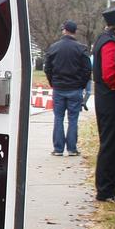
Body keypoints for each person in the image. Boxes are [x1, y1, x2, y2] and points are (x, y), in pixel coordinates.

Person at [93, 6, 115, 201]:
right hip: (110, 98)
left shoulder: (103, 39)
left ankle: (110, 185)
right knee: (110, 144)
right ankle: (106, 188)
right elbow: (110, 74)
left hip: (106, 97)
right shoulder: (110, 43)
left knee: (111, 142)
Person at [43, 20, 92, 156]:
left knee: (58, 118)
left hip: (59, 88)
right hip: (75, 88)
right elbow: (87, 70)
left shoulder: (54, 48)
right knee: (73, 118)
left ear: (64, 30)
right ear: (75, 32)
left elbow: (47, 68)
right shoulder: (81, 49)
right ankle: (72, 148)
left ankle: (58, 149)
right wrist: (81, 84)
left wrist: (53, 82)